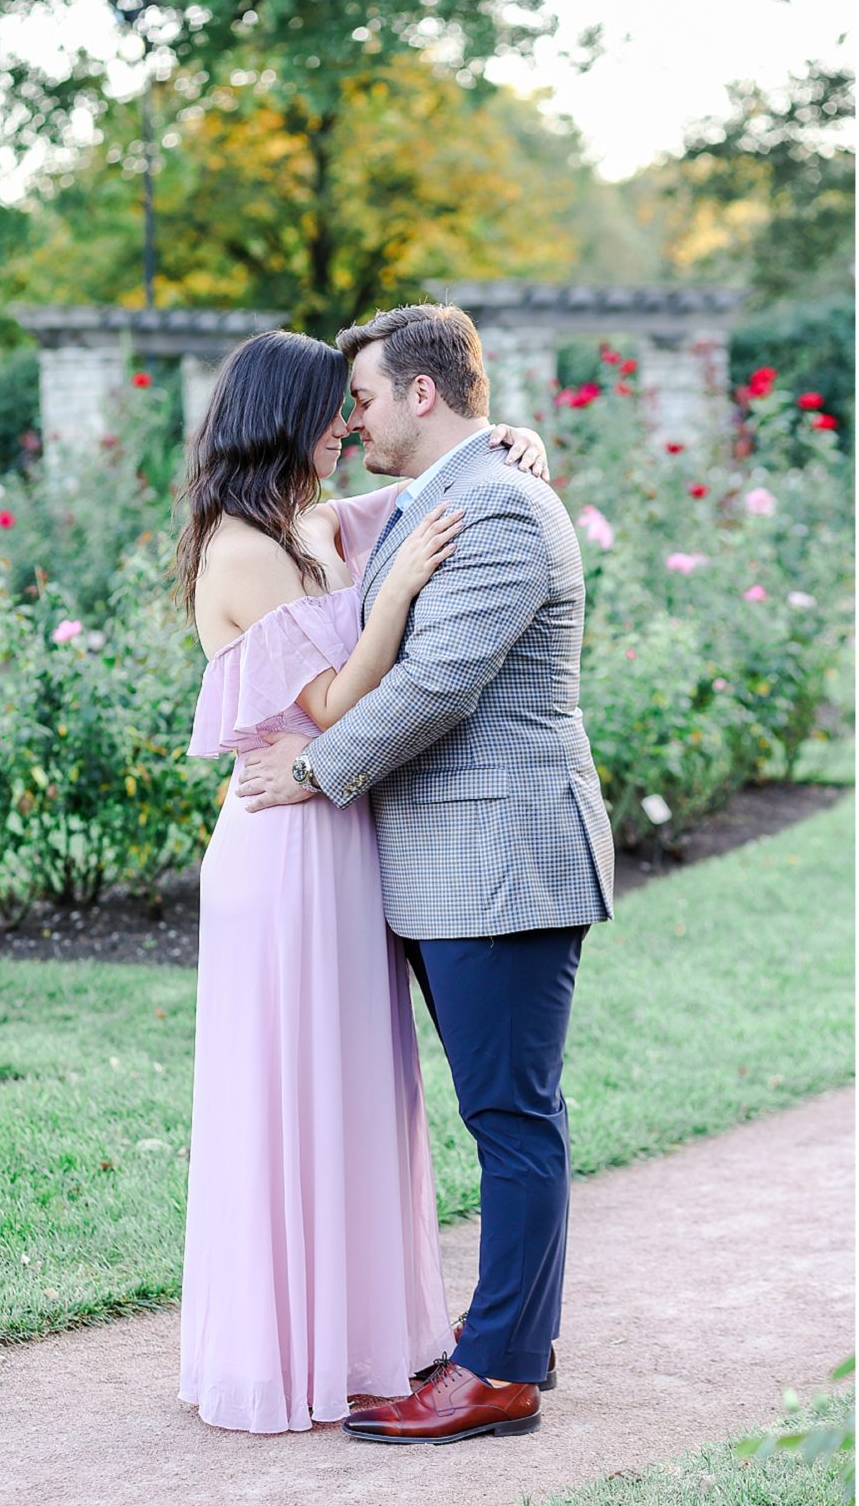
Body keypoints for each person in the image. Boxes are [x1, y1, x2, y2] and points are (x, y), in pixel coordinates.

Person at [236, 303, 615, 1445]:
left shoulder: (494, 505)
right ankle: (512, 1340)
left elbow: (440, 681)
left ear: (420, 392)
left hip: (502, 858)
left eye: (361, 397)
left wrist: (316, 768)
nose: (349, 420)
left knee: (511, 1116)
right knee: (503, 1111)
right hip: (452, 862)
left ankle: (497, 1371)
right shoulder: (430, 498)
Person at [174, 328, 550, 1435]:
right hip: (283, 842)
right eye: (333, 408)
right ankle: (286, 1350)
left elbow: (441, 474)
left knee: (353, 1091)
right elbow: (333, 704)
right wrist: (397, 601)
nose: (349, 422)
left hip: (341, 835)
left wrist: (510, 436)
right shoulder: (240, 547)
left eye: (358, 403)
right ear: (286, 417)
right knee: (292, 1091)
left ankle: (363, 1338)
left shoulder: (315, 522)